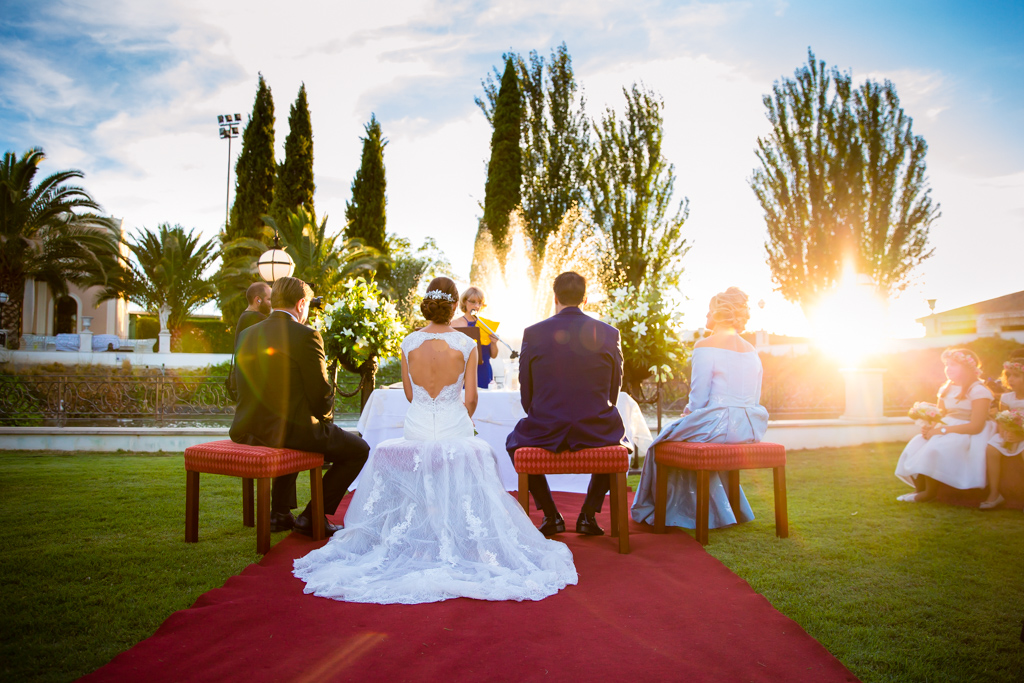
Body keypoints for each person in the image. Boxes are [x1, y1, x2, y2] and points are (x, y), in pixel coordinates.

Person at [292, 277, 577, 604]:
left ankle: (418, 536)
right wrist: (458, 418)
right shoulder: (466, 345)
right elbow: (471, 399)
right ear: (454, 305)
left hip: (417, 426)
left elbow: (412, 395)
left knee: (426, 461)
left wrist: (432, 412)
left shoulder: (409, 343)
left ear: (428, 303)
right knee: (474, 456)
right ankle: (460, 538)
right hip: (454, 423)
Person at [230, 277, 370, 536]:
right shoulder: (307, 335)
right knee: (359, 449)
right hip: (291, 430)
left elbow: (239, 385)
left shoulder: (247, 334)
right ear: (302, 303)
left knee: (292, 433)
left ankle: (280, 514)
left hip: (247, 428)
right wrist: (326, 422)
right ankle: (312, 517)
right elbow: (321, 393)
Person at [630, 287, 768, 529]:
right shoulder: (752, 350)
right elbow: (755, 397)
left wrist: (689, 412)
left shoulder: (705, 345)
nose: (705, 317)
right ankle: (722, 510)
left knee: (660, 444)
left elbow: (698, 400)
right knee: (687, 439)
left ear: (716, 314)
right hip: (750, 427)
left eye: (708, 311)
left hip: (719, 424)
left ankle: (674, 508)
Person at [505, 271, 627, 537]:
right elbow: (614, 388)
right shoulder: (609, 333)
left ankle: (551, 515)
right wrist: (597, 413)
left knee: (513, 442)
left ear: (555, 297)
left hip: (547, 425)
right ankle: (588, 513)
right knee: (619, 442)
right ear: (585, 298)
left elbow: (527, 390)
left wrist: (543, 415)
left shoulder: (532, 333)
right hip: (596, 426)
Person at [895, 347, 996, 502]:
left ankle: (930, 492)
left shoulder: (978, 391)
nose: (948, 369)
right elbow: (940, 414)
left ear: (968, 368)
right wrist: (930, 426)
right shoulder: (945, 389)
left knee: (936, 448)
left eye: (953, 365)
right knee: (916, 444)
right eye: (946, 365)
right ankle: (919, 490)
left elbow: (976, 426)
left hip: (966, 431)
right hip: (945, 427)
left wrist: (942, 430)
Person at [980, 351, 1024, 509]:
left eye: (1016, 376)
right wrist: (1006, 433)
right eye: (1009, 375)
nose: (1011, 379)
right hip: (1009, 433)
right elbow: (1002, 419)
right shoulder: (1006, 398)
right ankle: (994, 493)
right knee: (992, 448)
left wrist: (1020, 436)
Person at [226, 282, 272, 401]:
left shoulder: (245, 316)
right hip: (254, 387)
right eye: (269, 300)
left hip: (244, 384)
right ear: (258, 300)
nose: (272, 304)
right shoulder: (257, 318)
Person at [452, 286, 500, 388]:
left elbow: (494, 355)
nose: (477, 306)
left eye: (479, 303)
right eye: (473, 302)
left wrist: (494, 343)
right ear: (465, 301)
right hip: (462, 371)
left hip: (484, 371)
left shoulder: (486, 325)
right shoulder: (454, 324)